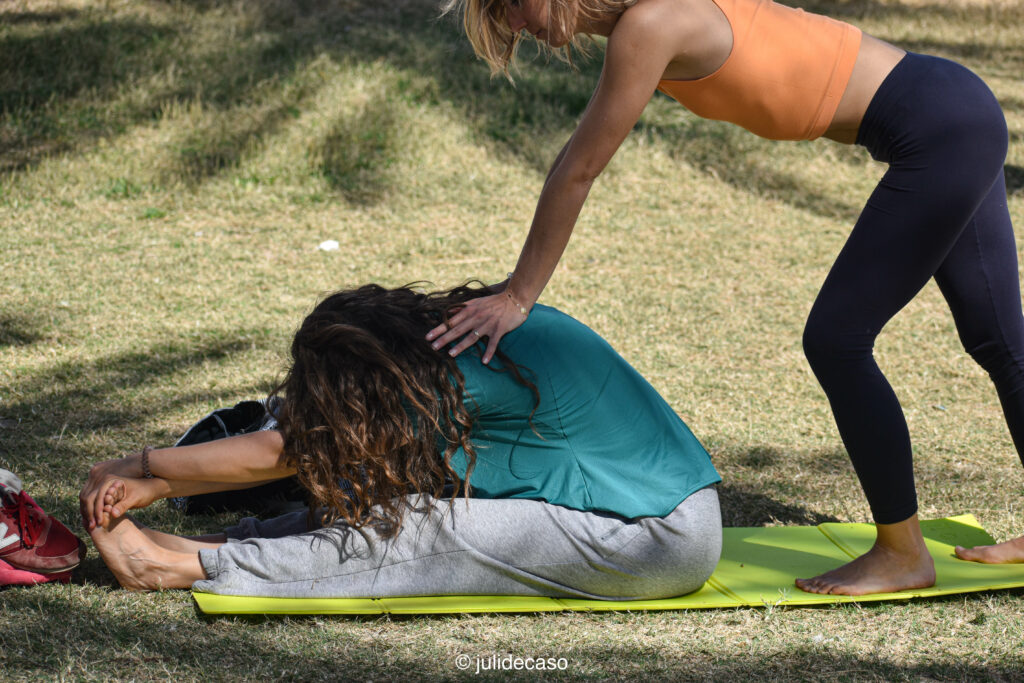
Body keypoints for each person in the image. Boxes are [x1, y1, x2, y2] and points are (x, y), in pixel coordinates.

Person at [430, 0, 1024, 594]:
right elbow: (572, 161)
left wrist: (518, 295)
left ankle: (902, 554)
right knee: (1000, 340)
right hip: (952, 109)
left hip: (940, 128)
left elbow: (580, 170)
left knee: (838, 341)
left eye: (511, 3)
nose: (513, 23)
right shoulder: (644, 24)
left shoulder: (650, 23)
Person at [79, 283, 722, 598]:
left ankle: (180, 564)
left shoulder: (461, 375)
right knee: (367, 492)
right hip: (615, 512)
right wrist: (150, 481)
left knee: (423, 529)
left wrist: (144, 466)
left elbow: (289, 453)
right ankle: (223, 543)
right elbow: (312, 446)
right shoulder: (453, 342)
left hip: (654, 537)